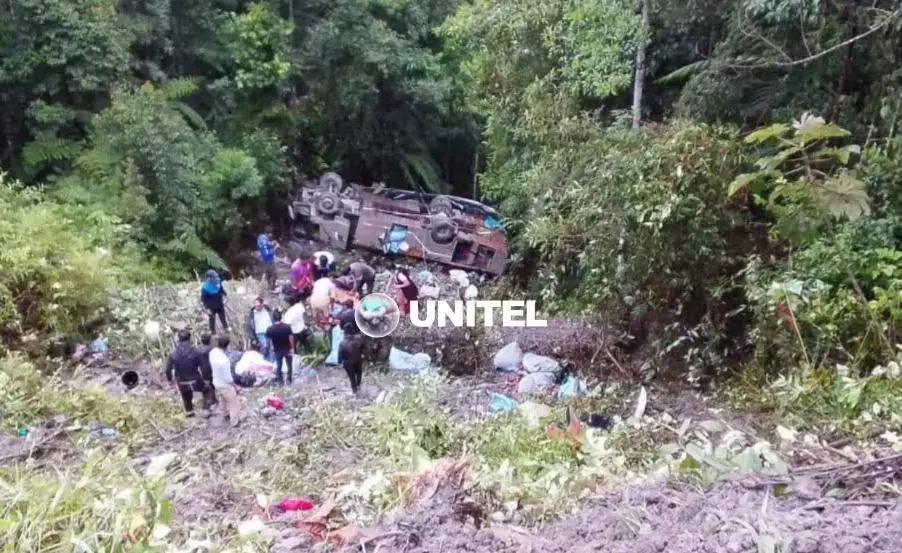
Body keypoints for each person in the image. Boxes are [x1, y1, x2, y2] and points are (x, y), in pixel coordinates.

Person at [165, 329, 205, 418]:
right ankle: (207, 407)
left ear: (178, 339)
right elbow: (202, 366)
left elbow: (168, 369)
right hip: (196, 380)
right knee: (207, 390)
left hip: (182, 382)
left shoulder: (173, 354)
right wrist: (205, 379)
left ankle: (190, 412)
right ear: (190, 338)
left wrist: (170, 380)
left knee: (186, 397)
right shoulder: (196, 351)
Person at [209, 335, 242, 427]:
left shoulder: (212, 352)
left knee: (222, 400)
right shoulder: (224, 360)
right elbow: (228, 378)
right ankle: (235, 422)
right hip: (225, 385)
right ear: (227, 345)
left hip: (216, 382)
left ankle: (225, 415)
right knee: (233, 403)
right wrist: (236, 387)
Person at [265, 310, 295, 385]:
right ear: (281, 317)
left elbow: (268, 340)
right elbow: (291, 338)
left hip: (277, 349)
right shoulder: (286, 327)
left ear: (273, 318)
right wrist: (292, 347)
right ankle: (289, 380)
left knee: (279, 365)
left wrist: (271, 347)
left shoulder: (270, 329)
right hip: (287, 348)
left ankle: (280, 381)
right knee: (289, 365)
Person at [338, 324, 364, 395]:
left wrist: (340, 362)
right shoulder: (358, 340)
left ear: (344, 332)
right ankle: (358, 386)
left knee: (352, 378)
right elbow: (363, 349)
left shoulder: (342, 343)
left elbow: (340, 355)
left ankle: (355, 391)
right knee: (359, 374)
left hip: (348, 363)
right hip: (358, 360)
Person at [200, 270, 228, 334]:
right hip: (211, 306)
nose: (215, 278)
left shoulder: (218, 281)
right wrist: (207, 308)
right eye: (214, 277)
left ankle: (225, 327)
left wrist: (225, 293)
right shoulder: (205, 288)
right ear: (209, 278)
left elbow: (221, 288)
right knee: (212, 319)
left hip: (219, 303)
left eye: (215, 276)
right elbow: (203, 299)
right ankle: (212, 331)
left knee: (222, 316)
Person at [196, 333, 218, 412]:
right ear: (209, 340)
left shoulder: (197, 349)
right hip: (211, 368)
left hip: (202, 370)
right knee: (212, 384)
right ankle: (213, 400)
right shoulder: (212, 349)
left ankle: (211, 400)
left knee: (207, 385)